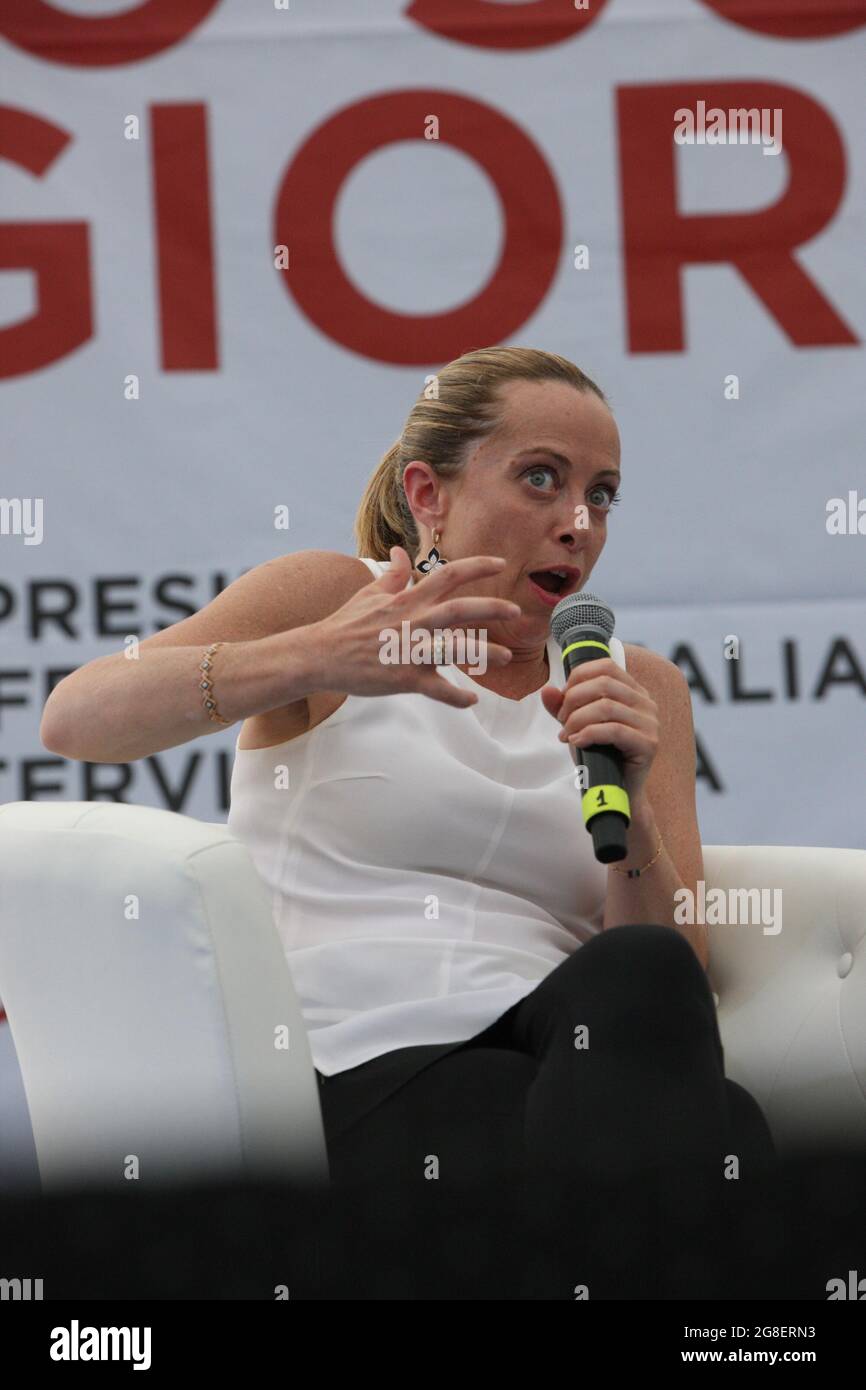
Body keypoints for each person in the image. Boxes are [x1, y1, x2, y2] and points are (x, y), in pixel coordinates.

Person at [40, 345, 775, 1219]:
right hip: (351, 1063)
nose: (579, 520)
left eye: (602, 494)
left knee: (646, 980)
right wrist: (312, 655)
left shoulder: (637, 686)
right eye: (541, 478)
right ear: (429, 495)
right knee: (723, 1136)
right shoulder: (330, 598)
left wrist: (636, 814)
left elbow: (675, 980)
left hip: (564, 1057)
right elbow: (76, 717)